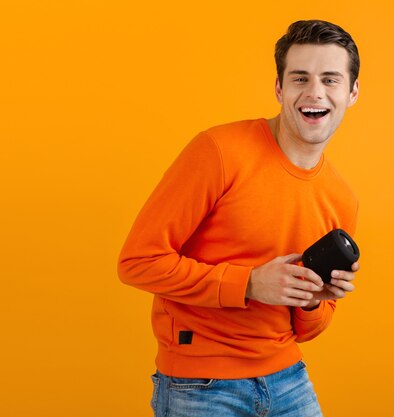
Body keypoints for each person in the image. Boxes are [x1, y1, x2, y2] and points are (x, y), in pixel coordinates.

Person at [118, 19, 361, 417]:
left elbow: (310, 330)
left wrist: (312, 301)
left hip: (289, 378)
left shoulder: (341, 198)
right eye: (300, 78)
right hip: (200, 386)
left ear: (352, 92)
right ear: (280, 89)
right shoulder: (219, 151)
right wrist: (249, 283)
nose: (315, 92)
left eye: (330, 79)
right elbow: (137, 263)